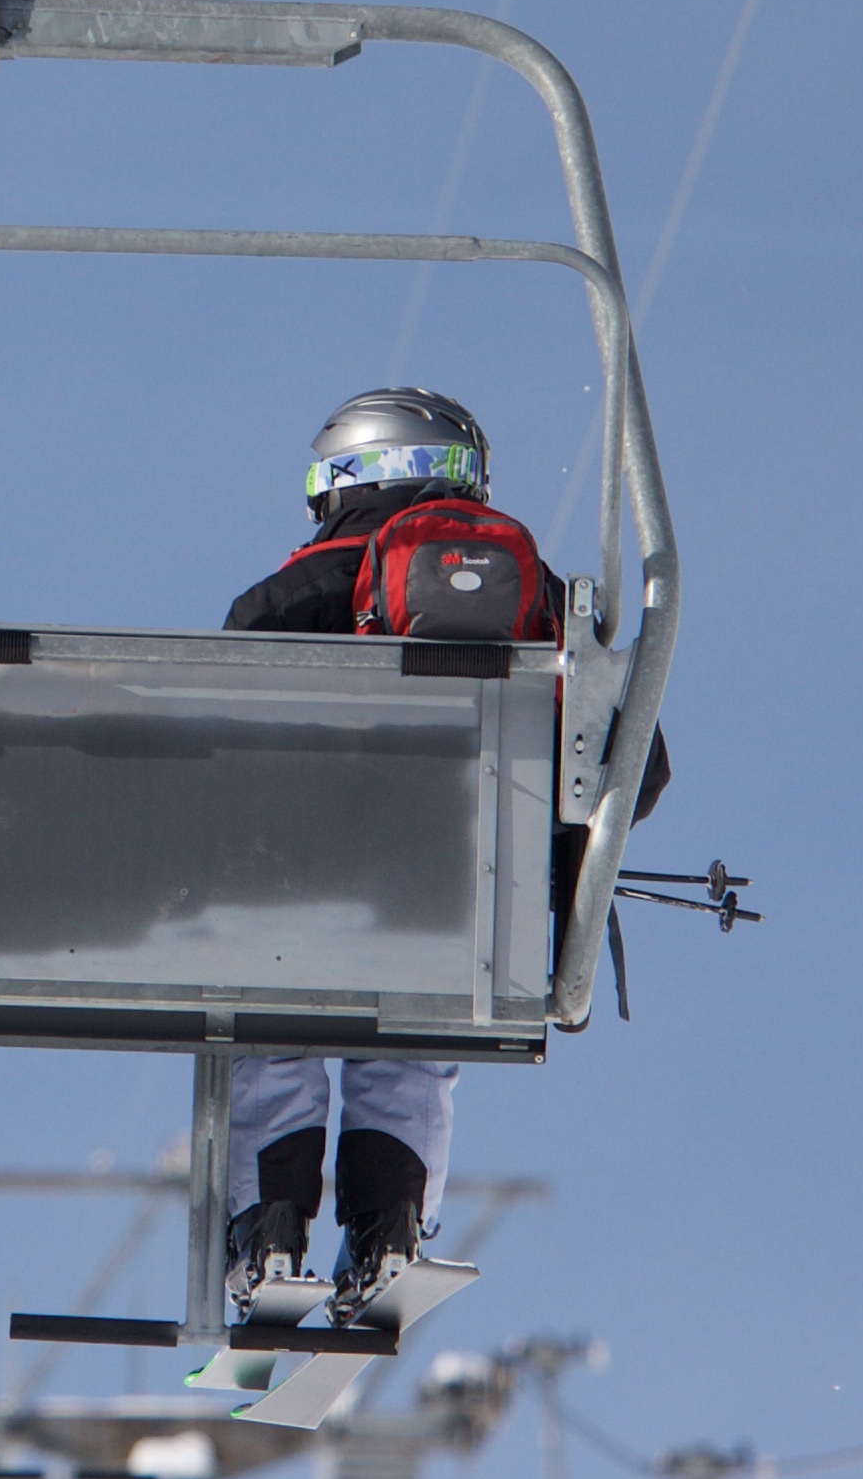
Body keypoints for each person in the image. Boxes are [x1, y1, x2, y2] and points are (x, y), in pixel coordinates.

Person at [216, 386, 671, 1322]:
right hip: (461, 894)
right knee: (417, 1045)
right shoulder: (541, 600)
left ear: (348, 476)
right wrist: (550, 849)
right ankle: (386, 1234)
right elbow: (640, 766)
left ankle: (268, 1236)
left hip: (299, 886)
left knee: (269, 1034)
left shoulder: (296, 592)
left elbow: (218, 739)